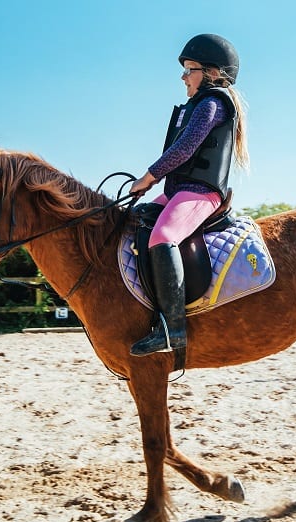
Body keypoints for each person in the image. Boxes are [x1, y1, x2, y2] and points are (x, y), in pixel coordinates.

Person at [128, 33, 249, 356]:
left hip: (201, 192)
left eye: (190, 69)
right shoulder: (193, 106)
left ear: (211, 73)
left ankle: (174, 330)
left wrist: (149, 178)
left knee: (163, 237)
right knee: (133, 221)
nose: (183, 77)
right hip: (178, 191)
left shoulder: (213, 104)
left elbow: (185, 149)